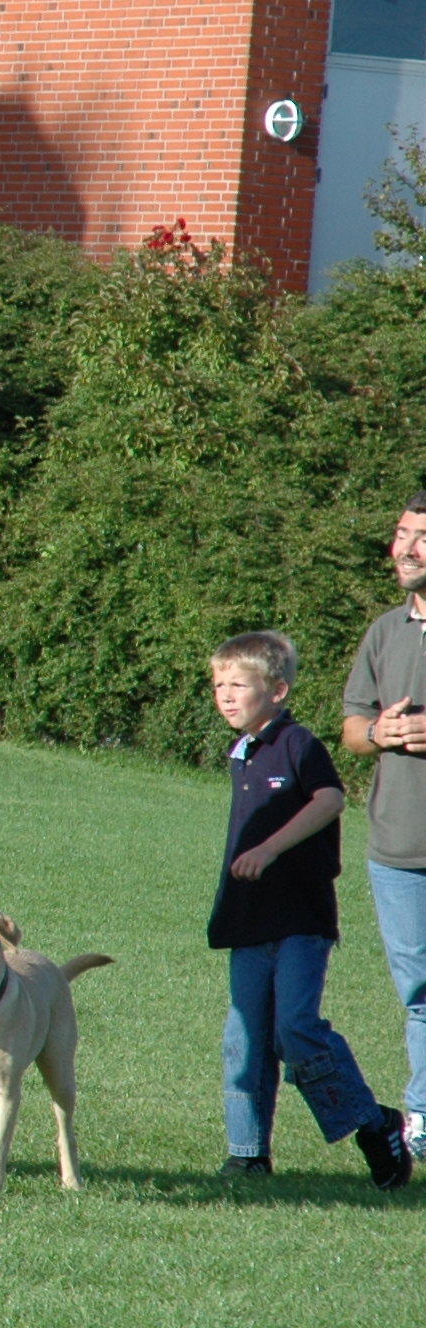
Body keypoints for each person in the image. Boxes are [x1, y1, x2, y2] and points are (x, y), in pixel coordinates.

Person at [205, 630, 411, 1186]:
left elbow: (330, 799)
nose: (225, 695)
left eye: (238, 685)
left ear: (277, 690)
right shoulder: (242, 752)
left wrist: (270, 849)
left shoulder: (297, 744)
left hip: (300, 920)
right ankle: (247, 1153)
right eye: (219, 685)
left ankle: (375, 1124)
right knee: (244, 1039)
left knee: (295, 1029)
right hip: (249, 920)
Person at [342, 491, 426, 1156]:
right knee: (420, 992)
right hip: (396, 850)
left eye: (422, 537)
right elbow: (351, 728)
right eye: (402, 534)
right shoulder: (384, 632)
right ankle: (423, 1118)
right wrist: (379, 732)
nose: (406, 548)